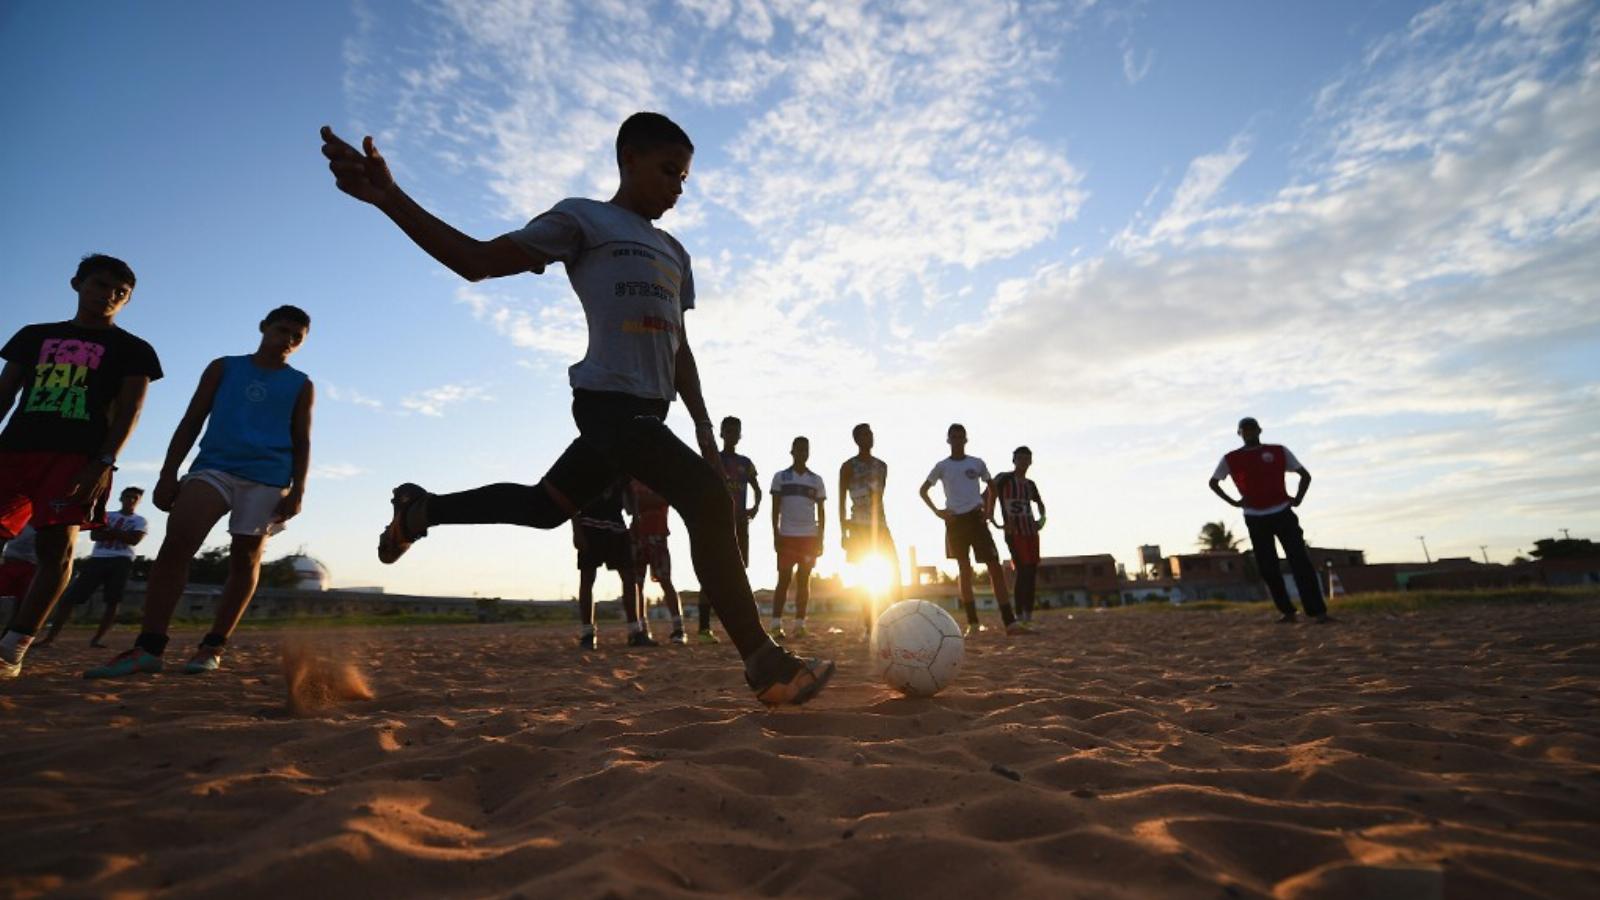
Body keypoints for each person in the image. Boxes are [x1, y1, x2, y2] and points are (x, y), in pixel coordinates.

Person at [319, 112, 832, 705]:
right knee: (705, 497)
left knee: (545, 507)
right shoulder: (583, 219)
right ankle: (765, 663)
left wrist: (702, 426)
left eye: (685, 178)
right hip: (607, 406)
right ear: (628, 158)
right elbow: (476, 260)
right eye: (668, 170)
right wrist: (390, 198)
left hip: (648, 416)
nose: (677, 187)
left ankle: (420, 511)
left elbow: (679, 349)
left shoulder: (675, 253)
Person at [86, 306, 313, 678]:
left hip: (269, 477)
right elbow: (193, 418)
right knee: (177, 544)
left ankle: (212, 645)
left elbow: (302, 439)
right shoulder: (224, 367)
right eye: (281, 329)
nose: (286, 339)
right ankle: (149, 647)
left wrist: (299, 489)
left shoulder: (301, 383)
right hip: (214, 469)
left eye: (296, 336)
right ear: (263, 327)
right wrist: (168, 473)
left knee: (245, 559)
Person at [0, 254, 163, 679]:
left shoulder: (134, 350)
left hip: (76, 459)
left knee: (57, 549)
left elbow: (130, 411)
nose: (108, 295)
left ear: (127, 301)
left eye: (120, 292)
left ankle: (13, 648)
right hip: (14, 450)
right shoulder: (34, 336)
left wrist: (104, 463)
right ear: (77, 284)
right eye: (100, 285)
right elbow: (5, 393)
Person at [1208, 416, 1329, 623]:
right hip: (1255, 518)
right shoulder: (1231, 458)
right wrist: (1234, 502)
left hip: (1283, 512)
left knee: (1299, 560)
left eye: (1252, 429)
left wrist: (1298, 499)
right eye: (1245, 430)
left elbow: (1304, 475)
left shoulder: (1278, 451)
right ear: (1239, 434)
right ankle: (1287, 611)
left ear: (1259, 430)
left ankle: (1318, 612)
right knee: (1267, 566)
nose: (1249, 433)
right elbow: (1214, 482)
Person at [919, 424, 1024, 635]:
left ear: (966, 439)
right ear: (948, 440)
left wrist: (989, 511)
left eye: (961, 437)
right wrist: (938, 512)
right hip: (956, 522)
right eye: (954, 437)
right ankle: (973, 624)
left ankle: (1009, 622)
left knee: (994, 567)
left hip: (977, 520)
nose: (958, 440)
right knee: (964, 570)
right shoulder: (942, 466)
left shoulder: (976, 463)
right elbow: (923, 490)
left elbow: (992, 487)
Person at [41, 486, 147, 647]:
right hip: (98, 559)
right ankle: (50, 638)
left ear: (138, 501)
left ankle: (98, 639)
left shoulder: (140, 521)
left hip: (122, 561)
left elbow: (134, 540)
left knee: (112, 601)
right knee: (71, 598)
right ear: (121, 498)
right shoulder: (107, 515)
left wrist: (109, 531)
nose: (131, 500)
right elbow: (95, 535)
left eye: (135, 498)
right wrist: (121, 534)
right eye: (128, 496)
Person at [838, 423, 901, 638]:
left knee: (893, 569)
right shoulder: (848, 466)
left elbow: (879, 497)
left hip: (880, 526)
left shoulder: (881, 466)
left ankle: (894, 618)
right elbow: (841, 500)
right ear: (857, 439)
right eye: (864, 434)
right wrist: (842, 532)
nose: (869, 437)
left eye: (871, 433)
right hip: (857, 526)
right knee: (864, 575)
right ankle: (869, 625)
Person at [705, 415, 760, 644]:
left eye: (736, 431)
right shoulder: (713, 459)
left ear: (740, 434)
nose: (732, 434)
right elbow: (702, 487)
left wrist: (754, 507)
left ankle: (742, 626)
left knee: (740, 571)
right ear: (721, 433)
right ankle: (703, 626)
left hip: (740, 523)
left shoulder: (745, 463)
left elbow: (758, 488)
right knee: (710, 571)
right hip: (718, 523)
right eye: (728, 430)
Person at [573, 480, 646, 650]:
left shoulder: (620, 462)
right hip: (589, 524)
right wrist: (577, 530)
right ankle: (587, 634)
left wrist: (636, 517)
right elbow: (573, 496)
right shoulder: (584, 463)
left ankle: (635, 631)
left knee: (629, 576)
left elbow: (630, 490)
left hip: (616, 526)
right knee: (587, 577)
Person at [770, 436, 825, 639]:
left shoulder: (816, 480)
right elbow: (775, 509)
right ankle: (776, 624)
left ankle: (800, 624)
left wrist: (821, 538)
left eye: (805, 450)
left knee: (804, 580)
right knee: (783, 579)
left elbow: (821, 512)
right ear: (792, 451)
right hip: (787, 536)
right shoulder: (780, 477)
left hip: (809, 538)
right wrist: (775, 535)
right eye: (799, 449)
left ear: (808, 453)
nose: (802, 453)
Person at [987, 447, 1046, 626]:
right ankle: (1019, 614)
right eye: (1019, 458)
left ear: (1031, 461)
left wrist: (1041, 520)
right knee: (1022, 570)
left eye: (1026, 458)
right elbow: (990, 493)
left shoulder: (1030, 484)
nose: (1023, 462)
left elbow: (1040, 503)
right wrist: (991, 516)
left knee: (1032, 571)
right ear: (1013, 460)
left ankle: (1028, 613)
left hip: (1031, 532)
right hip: (1014, 532)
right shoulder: (1004, 478)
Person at [628, 477, 685, 644]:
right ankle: (641, 629)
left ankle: (678, 628)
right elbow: (630, 506)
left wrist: (642, 502)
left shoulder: (661, 478)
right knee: (637, 584)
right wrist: (646, 502)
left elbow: (664, 499)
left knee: (665, 580)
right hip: (637, 537)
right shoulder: (632, 480)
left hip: (658, 535)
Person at [0, 525, 39, 627]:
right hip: (10, 563)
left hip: (30, 566)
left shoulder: (42, 525)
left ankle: (8, 637)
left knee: (21, 605)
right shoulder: (20, 520)